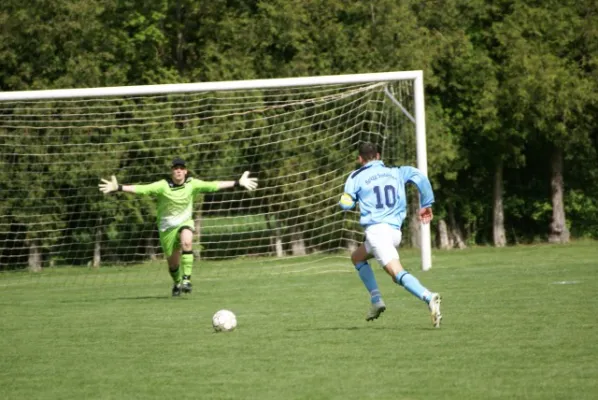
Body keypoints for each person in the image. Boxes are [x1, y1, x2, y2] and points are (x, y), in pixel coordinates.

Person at [99, 158, 258, 296]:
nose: (179, 171)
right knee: (173, 265)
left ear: (186, 171)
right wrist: (118, 187)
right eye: (176, 168)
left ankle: (187, 280)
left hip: (184, 223)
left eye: (181, 168)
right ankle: (177, 283)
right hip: (167, 229)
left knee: (187, 242)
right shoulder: (162, 185)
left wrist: (238, 183)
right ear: (172, 172)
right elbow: (142, 189)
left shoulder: (192, 184)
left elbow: (213, 185)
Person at [339, 142, 442, 328]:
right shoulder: (397, 172)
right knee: (357, 258)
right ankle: (376, 300)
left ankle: (429, 297)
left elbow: (346, 204)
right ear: (378, 156)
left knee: (397, 274)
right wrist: (426, 203)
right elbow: (419, 176)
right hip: (394, 232)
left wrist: (344, 201)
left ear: (360, 159)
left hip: (377, 232)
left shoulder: (355, 176)